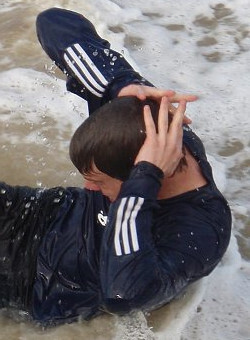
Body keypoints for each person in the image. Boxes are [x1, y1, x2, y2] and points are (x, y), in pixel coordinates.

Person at [0, 7, 231, 327]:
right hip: (37, 215)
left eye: (100, 182)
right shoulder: (152, 124)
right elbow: (53, 22)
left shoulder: (201, 230)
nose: (89, 190)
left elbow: (123, 294)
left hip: (42, 285)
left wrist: (143, 180)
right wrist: (118, 86)